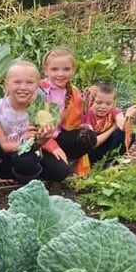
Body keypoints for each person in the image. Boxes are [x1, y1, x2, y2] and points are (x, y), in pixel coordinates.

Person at [0, 60, 66, 183]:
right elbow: (4, 146)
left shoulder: (41, 109)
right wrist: (24, 142)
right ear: (6, 84)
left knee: (61, 172)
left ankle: (27, 176)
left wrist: (43, 139)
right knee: (23, 159)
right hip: (7, 156)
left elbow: (37, 145)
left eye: (29, 83)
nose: (23, 87)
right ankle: (9, 177)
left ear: (37, 85)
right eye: (17, 82)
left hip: (31, 152)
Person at [38, 47, 97, 177]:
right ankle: (46, 164)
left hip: (59, 136)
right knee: (60, 173)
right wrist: (51, 146)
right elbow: (33, 125)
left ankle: (66, 159)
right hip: (39, 141)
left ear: (73, 70)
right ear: (46, 70)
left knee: (88, 136)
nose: (60, 74)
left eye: (66, 69)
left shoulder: (73, 92)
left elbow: (75, 122)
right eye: (55, 69)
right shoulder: (39, 90)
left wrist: (88, 103)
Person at [84, 82, 136, 167]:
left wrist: (128, 118)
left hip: (104, 146)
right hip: (89, 151)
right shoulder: (86, 114)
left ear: (113, 103)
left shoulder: (114, 111)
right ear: (92, 101)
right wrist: (112, 128)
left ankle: (110, 161)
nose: (103, 107)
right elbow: (92, 144)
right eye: (99, 102)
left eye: (108, 103)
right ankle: (96, 163)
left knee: (127, 134)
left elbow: (123, 127)